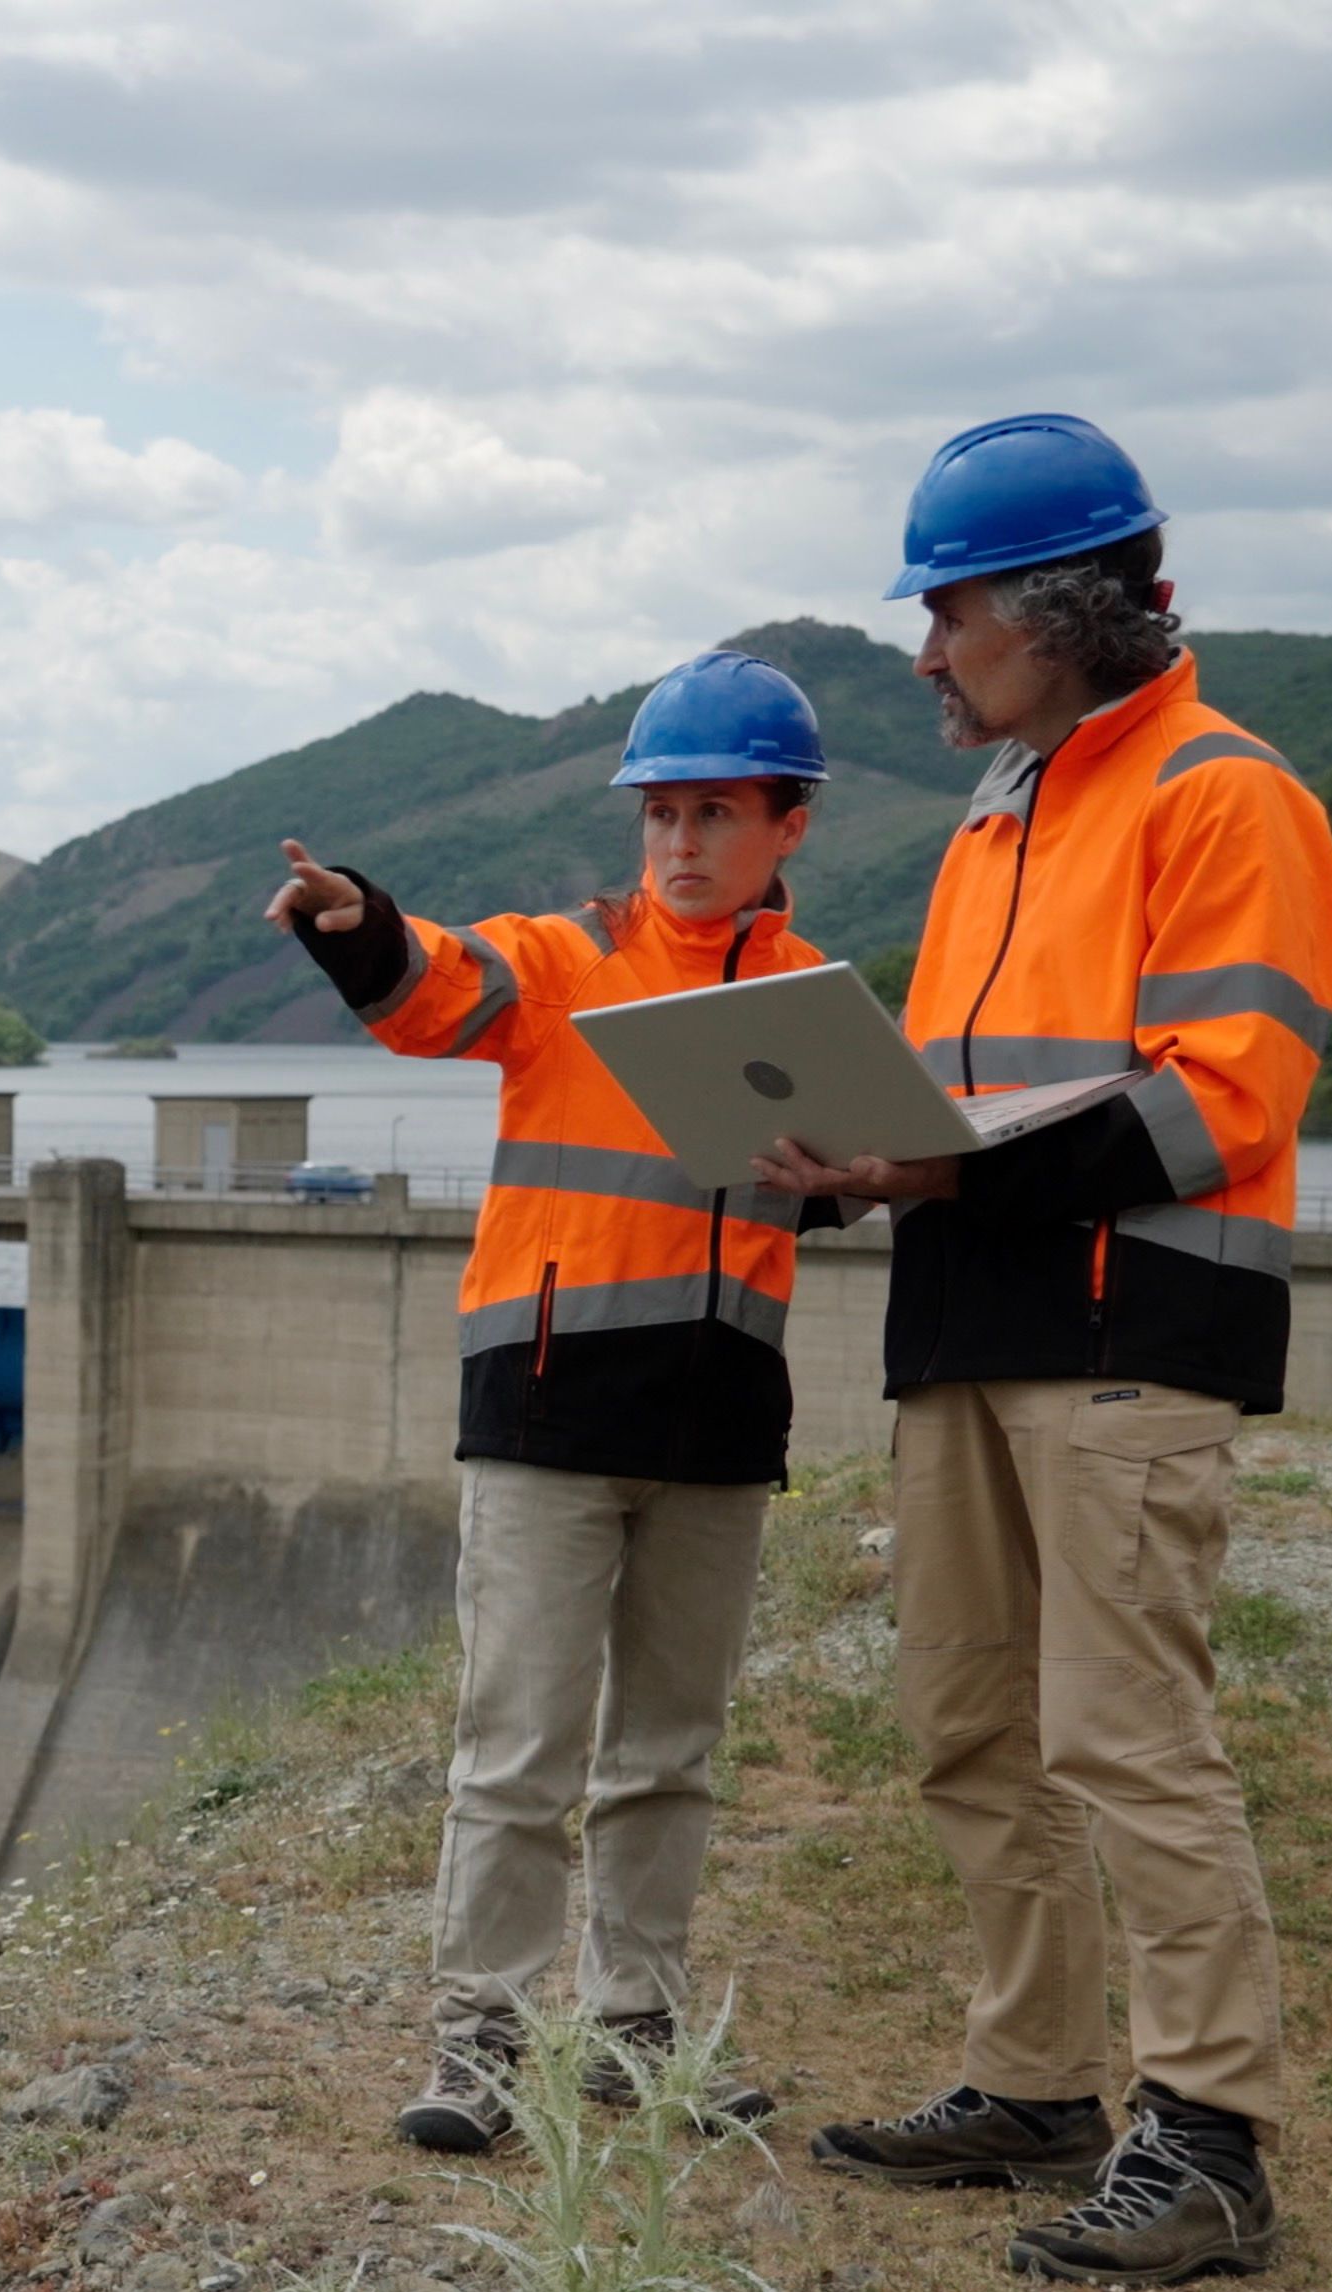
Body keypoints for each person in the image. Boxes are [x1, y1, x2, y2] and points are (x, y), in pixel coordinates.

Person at [755, 412, 1332, 2289]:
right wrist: (849, 1169)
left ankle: (1211, 2142)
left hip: (1129, 1328)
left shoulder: (1222, 794)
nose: (928, 657)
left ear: (1063, 607)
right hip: (975, 1320)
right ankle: (1037, 2089)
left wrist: (929, 1158)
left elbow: (1223, 1104)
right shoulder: (1002, 815)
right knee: (969, 1726)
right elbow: (966, 1102)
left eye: (951, 616)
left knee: (1124, 1735)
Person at [264, 651, 840, 2155]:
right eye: (661, 814)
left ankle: (635, 2041)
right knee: (518, 1747)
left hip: (719, 1418)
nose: (681, 843)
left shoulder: (812, 1002)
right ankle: (481, 2048)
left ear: (790, 827)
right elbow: (438, 989)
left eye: (715, 813)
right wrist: (360, 925)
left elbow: (842, 1184)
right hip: (547, 1403)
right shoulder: (569, 959)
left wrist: (847, 1174)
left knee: (670, 1752)